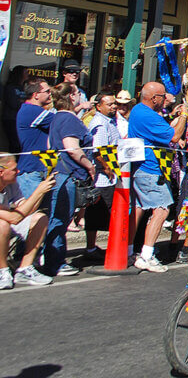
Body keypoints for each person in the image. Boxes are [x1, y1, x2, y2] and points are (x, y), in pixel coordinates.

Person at [46, 83, 106, 277]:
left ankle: (52, 258)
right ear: (72, 97)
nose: (81, 97)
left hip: (60, 172)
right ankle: (55, 262)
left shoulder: (57, 117)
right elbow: (71, 147)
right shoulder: (69, 119)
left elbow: (49, 145)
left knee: (58, 217)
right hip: (68, 175)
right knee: (60, 218)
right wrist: (89, 166)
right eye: (77, 94)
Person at [127, 82, 186, 273]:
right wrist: (184, 115)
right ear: (154, 98)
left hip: (140, 169)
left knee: (138, 210)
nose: (165, 98)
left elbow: (162, 129)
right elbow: (174, 136)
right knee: (161, 210)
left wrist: (174, 118)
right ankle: (146, 255)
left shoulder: (137, 111)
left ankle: (129, 250)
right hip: (150, 169)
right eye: (163, 95)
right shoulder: (148, 116)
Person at [0, 153, 56, 288]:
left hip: (8, 224)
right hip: (5, 225)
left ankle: (25, 269)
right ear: (1, 172)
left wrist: (42, 192)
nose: (18, 172)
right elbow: (15, 218)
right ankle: (2, 271)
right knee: (2, 225)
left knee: (40, 218)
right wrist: (38, 191)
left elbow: (26, 209)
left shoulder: (11, 184)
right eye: (14, 169)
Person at [83, 91, 120, 261]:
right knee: (99, 212)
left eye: (114, 104)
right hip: (103, 177)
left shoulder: (110, 121)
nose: (114, 106)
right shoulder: (99, 123)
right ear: (99, 106)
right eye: (110, 104)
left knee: (103, 213)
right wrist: (107, 168)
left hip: (110, 174)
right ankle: (91, 249)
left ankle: (98, 247)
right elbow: (98, 150)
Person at [15, 79, 54, 198]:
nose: (50, 94)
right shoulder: (31, 111)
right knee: (30, 214)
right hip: (31, 171)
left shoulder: (34, 110)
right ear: (36, 95)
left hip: (40, 169)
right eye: (47, 91)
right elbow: (63, 123)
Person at [2, 66, 26, 151]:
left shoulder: (24, 87)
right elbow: (14, 103)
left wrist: (22, 101)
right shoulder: (11, 87)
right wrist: (23, 102)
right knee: (15, 143)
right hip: (11, 119)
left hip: (21, 119)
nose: (27, 75)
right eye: (25, 72)